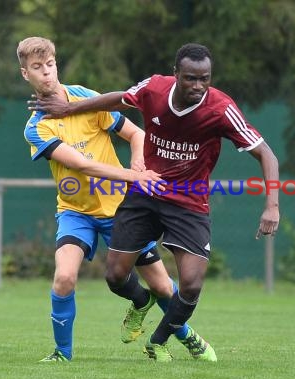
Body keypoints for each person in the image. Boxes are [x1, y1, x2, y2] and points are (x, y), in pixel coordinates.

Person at [29, 42, 280, 362]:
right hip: (134, 198)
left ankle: (172, 339)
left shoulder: (220, 108)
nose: (198, 86)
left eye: (205, 78)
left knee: (180, 286)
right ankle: (65, 353)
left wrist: (272, 205)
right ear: (176, 75)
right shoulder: (152, 89)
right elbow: (117, 104)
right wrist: (69, 110)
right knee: (108, 277)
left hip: (181, 201)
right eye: (191, 78)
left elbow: (266, 153)